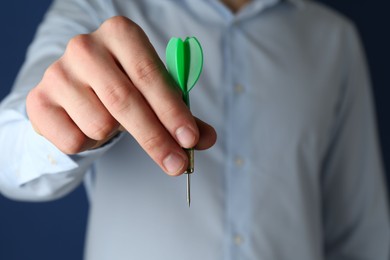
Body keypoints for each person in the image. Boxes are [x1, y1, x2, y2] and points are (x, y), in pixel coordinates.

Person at [0, 0, 389, 259]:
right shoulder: (96, 7)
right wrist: (56, 123)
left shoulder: (333, 38)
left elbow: (361, 232)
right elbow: (9, 156)